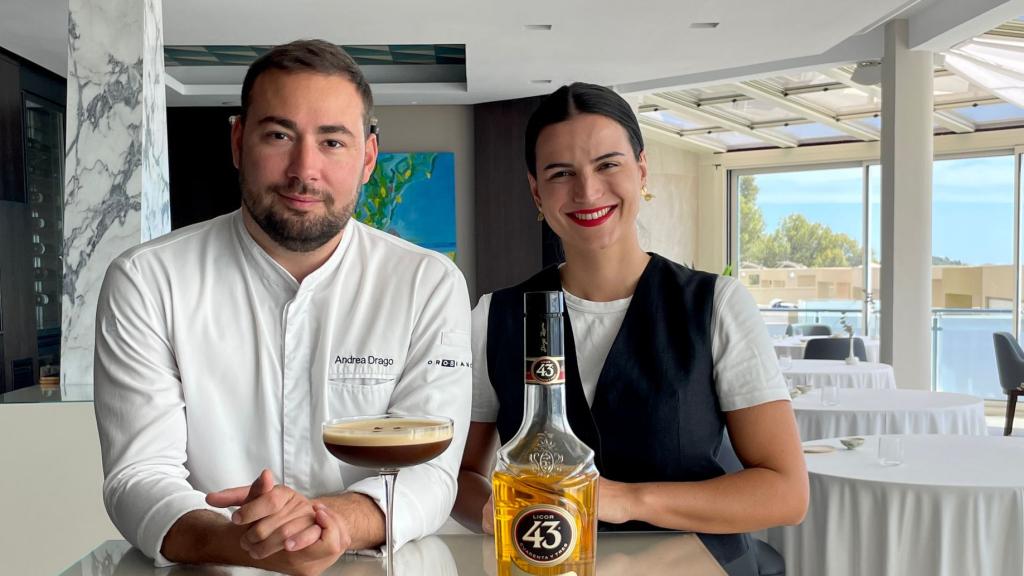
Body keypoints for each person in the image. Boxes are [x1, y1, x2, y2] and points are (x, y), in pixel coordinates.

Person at [93, 40, 472, 576]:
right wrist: (248, 543)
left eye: (333, 141)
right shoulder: (148, 280)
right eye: (279, 135)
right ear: (237, 140)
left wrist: (330, 524)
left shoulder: (426, 283)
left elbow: (430, 471)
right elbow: (138, 476)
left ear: (367, 158)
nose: (304, 170)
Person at [453, 83, 808, 573]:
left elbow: (785, 492)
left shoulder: (716, 304)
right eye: (561, 173)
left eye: (607, 164)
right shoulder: (494, 316)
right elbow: (460, 475)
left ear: (641, 170)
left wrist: (626, 500)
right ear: (537, 191)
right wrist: (496, 514)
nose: (588, 191)